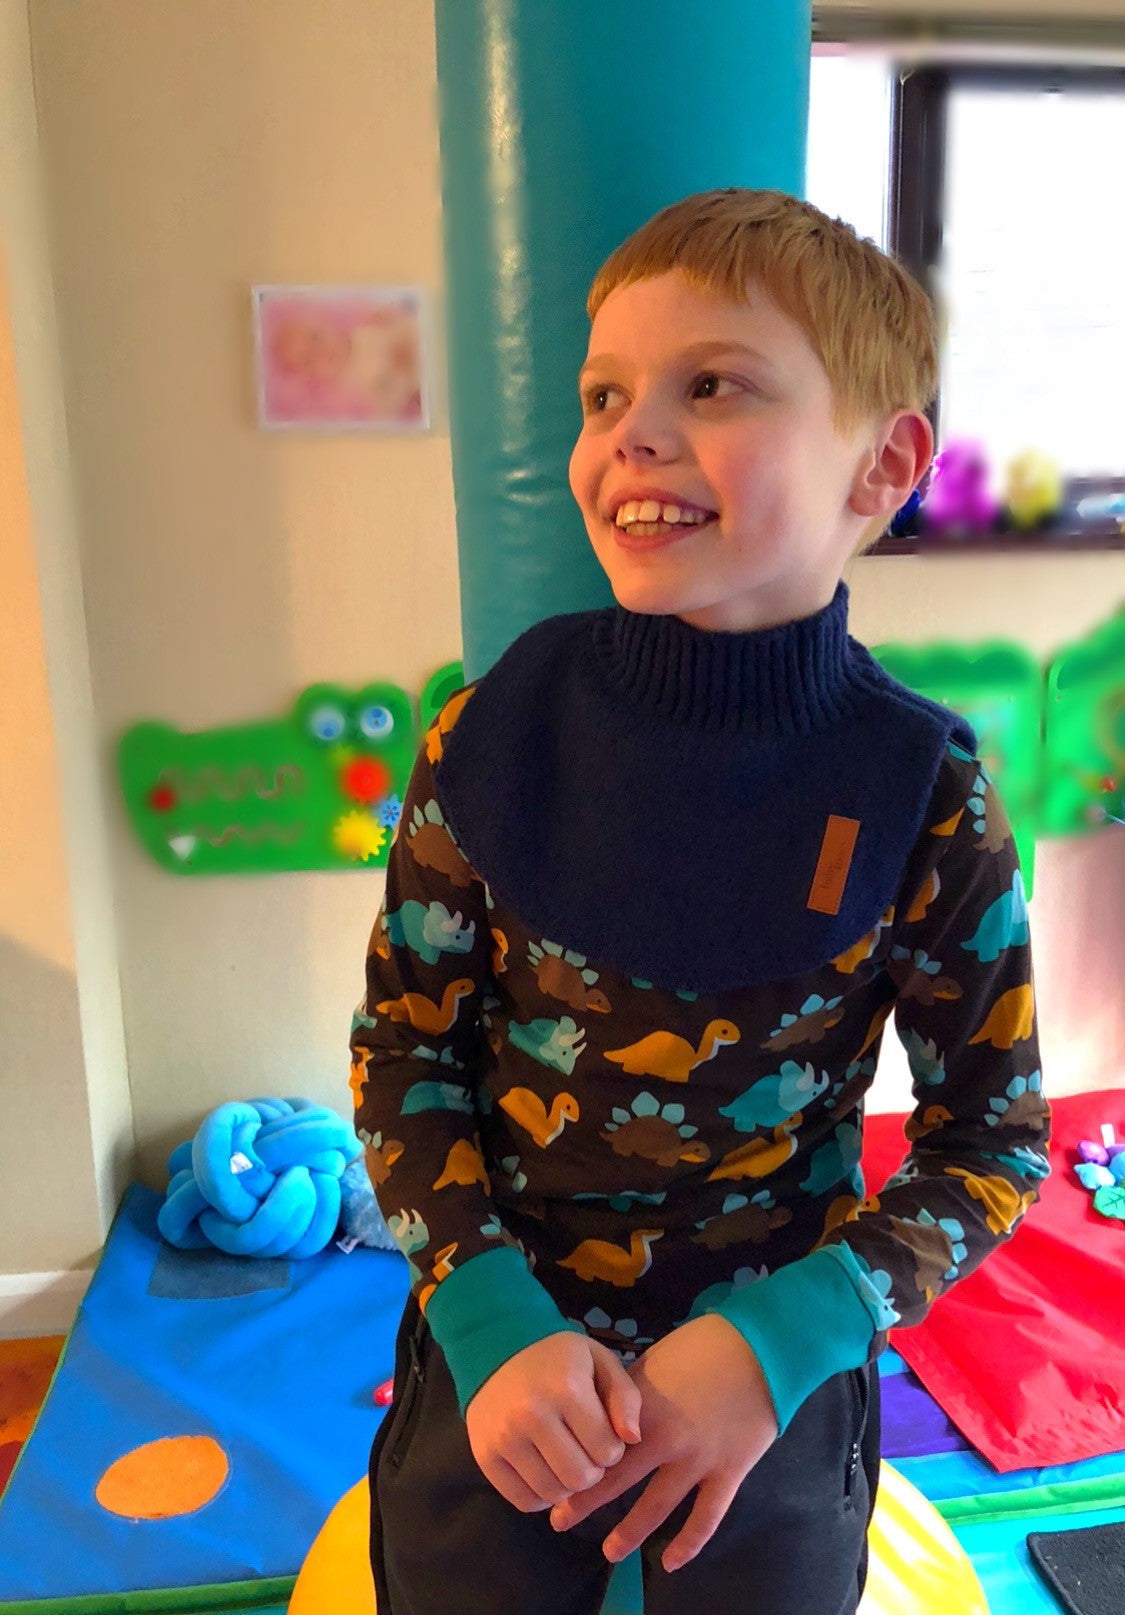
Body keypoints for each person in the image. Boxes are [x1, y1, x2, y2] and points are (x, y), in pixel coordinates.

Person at [350, 188, 1050, 1615]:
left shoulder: (923, 788)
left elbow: (995, 1139)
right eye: (604, 395)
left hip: (768, 1384)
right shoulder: (486, 735)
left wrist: (781, 1344)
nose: (632, 435)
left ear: (883, 465)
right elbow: (404, 1052)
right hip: (500, 1348)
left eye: (712, 385)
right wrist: (487, 1320)